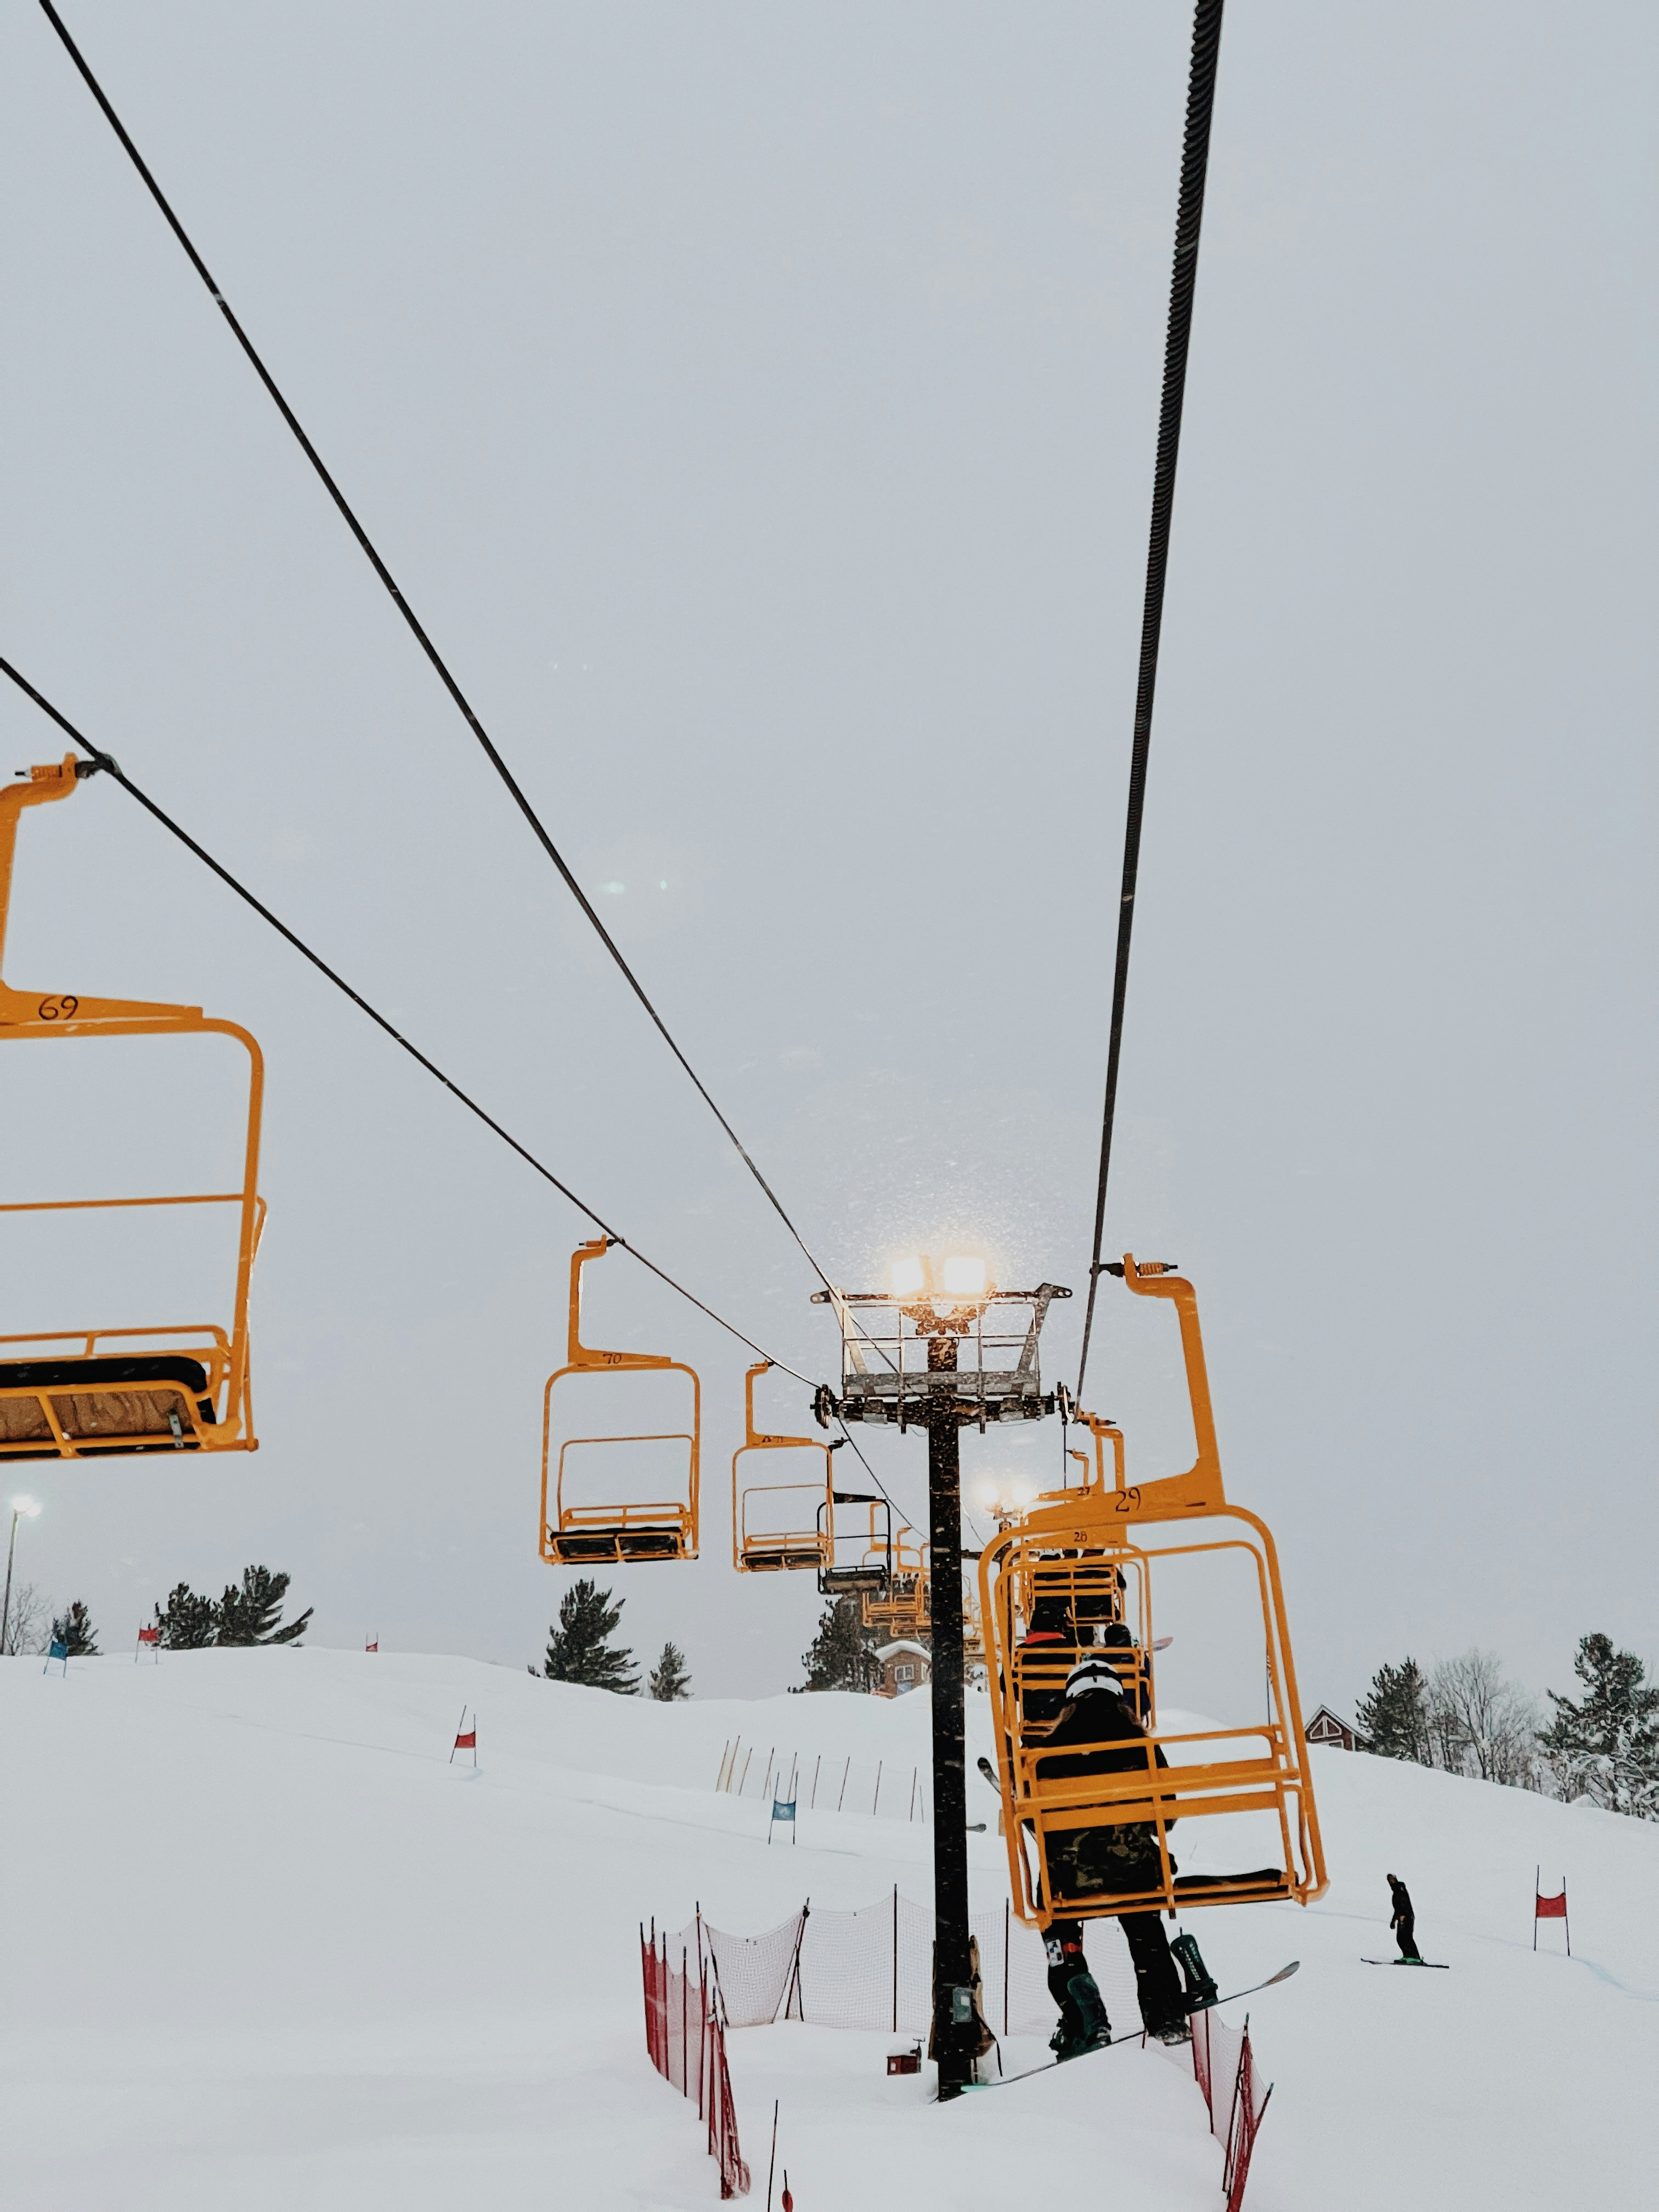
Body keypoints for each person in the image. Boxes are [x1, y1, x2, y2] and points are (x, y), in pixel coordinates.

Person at [1033, 1657, 1189, 2044]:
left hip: (1068, 1880)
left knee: (1056, 1923)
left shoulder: (1043, 1754)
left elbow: (1034, 1822)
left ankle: (1078, 2006)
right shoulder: (1143, 1748)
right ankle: (1164, 2015)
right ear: (1121, 1698)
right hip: (1132, 1873)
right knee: (1144, 1928)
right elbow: (1166, 1818)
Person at [1387, 1873, 1421, 1961]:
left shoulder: (1400, 1889)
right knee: (1400, 1938)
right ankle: (1407, 1956)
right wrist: (1393, 1921)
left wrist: (1404, 1915)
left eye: (1393, 1879)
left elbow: (1405, 1903)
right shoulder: (1396, 1892)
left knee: (1407, 1937)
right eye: (1390, 1880)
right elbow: (1397, 1909)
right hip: (1402, 1917)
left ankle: (1415, 1957)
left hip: (1408, 1916)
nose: (1391, 1881)